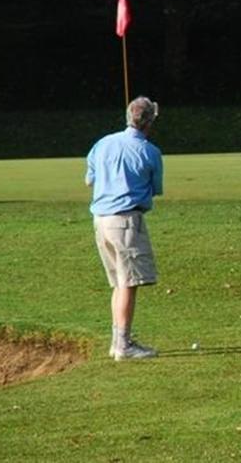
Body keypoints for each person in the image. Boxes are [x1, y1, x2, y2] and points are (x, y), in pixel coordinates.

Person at [86, 96, 163, 361]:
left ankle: (118, 342)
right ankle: (123, 346)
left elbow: (89, 180)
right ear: (150, 122)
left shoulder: (102, 143)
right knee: (128, 284)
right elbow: (156, 190)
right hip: (126, 222)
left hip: (100, 221)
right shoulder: (150, 152)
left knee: (120, 283)